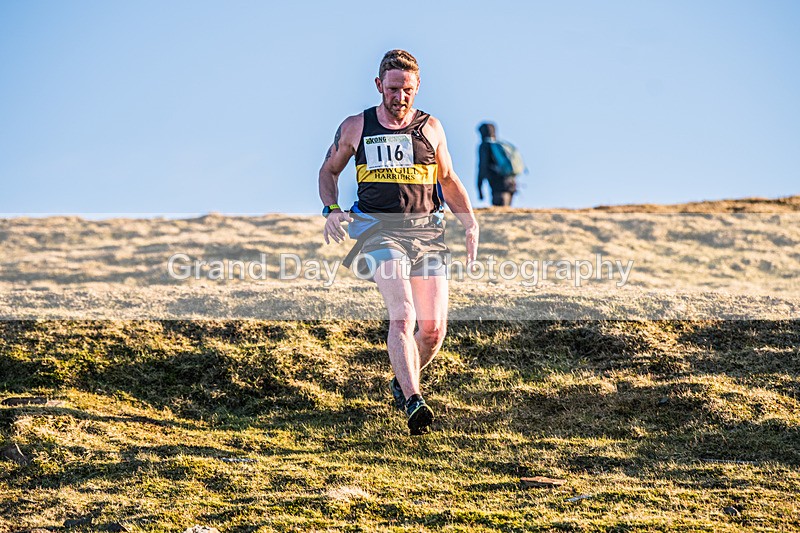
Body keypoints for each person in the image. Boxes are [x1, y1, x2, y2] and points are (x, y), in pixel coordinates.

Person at [318, 50, 479, 436]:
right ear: (379, 86)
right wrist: (332, 209)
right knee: (403, 314)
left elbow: (449, 179)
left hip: (428, 232)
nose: (400, 97)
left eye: (407, 89)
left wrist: (470, 223)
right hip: (379, 230)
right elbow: (328, 170)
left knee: (433, 330)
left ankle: (402, 381)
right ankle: (412, 400)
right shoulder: (357, 127)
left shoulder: (431, 128)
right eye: (393, 89)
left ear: (417, 86)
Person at [477, 122, 518, 207]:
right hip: (511, 183)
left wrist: (479, 188)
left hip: (497, 185)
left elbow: (482, 167)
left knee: (501, 212)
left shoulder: (485, 146)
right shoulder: (501, 145)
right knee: (507, 211)